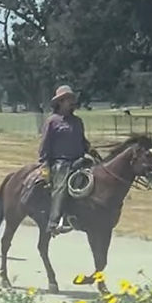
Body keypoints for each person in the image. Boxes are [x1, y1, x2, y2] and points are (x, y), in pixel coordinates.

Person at [39, 85, 98, 236]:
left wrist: (90, 149)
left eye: (72, 99)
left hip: (80, 160)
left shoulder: (78, 121)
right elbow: (45, 144)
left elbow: (82, 141)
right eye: (69, 99)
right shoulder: (52, 121)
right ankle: (54, 223)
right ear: (60, 102)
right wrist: (45, 164)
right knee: (61, 187)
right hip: (61, 163)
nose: (72, 102)